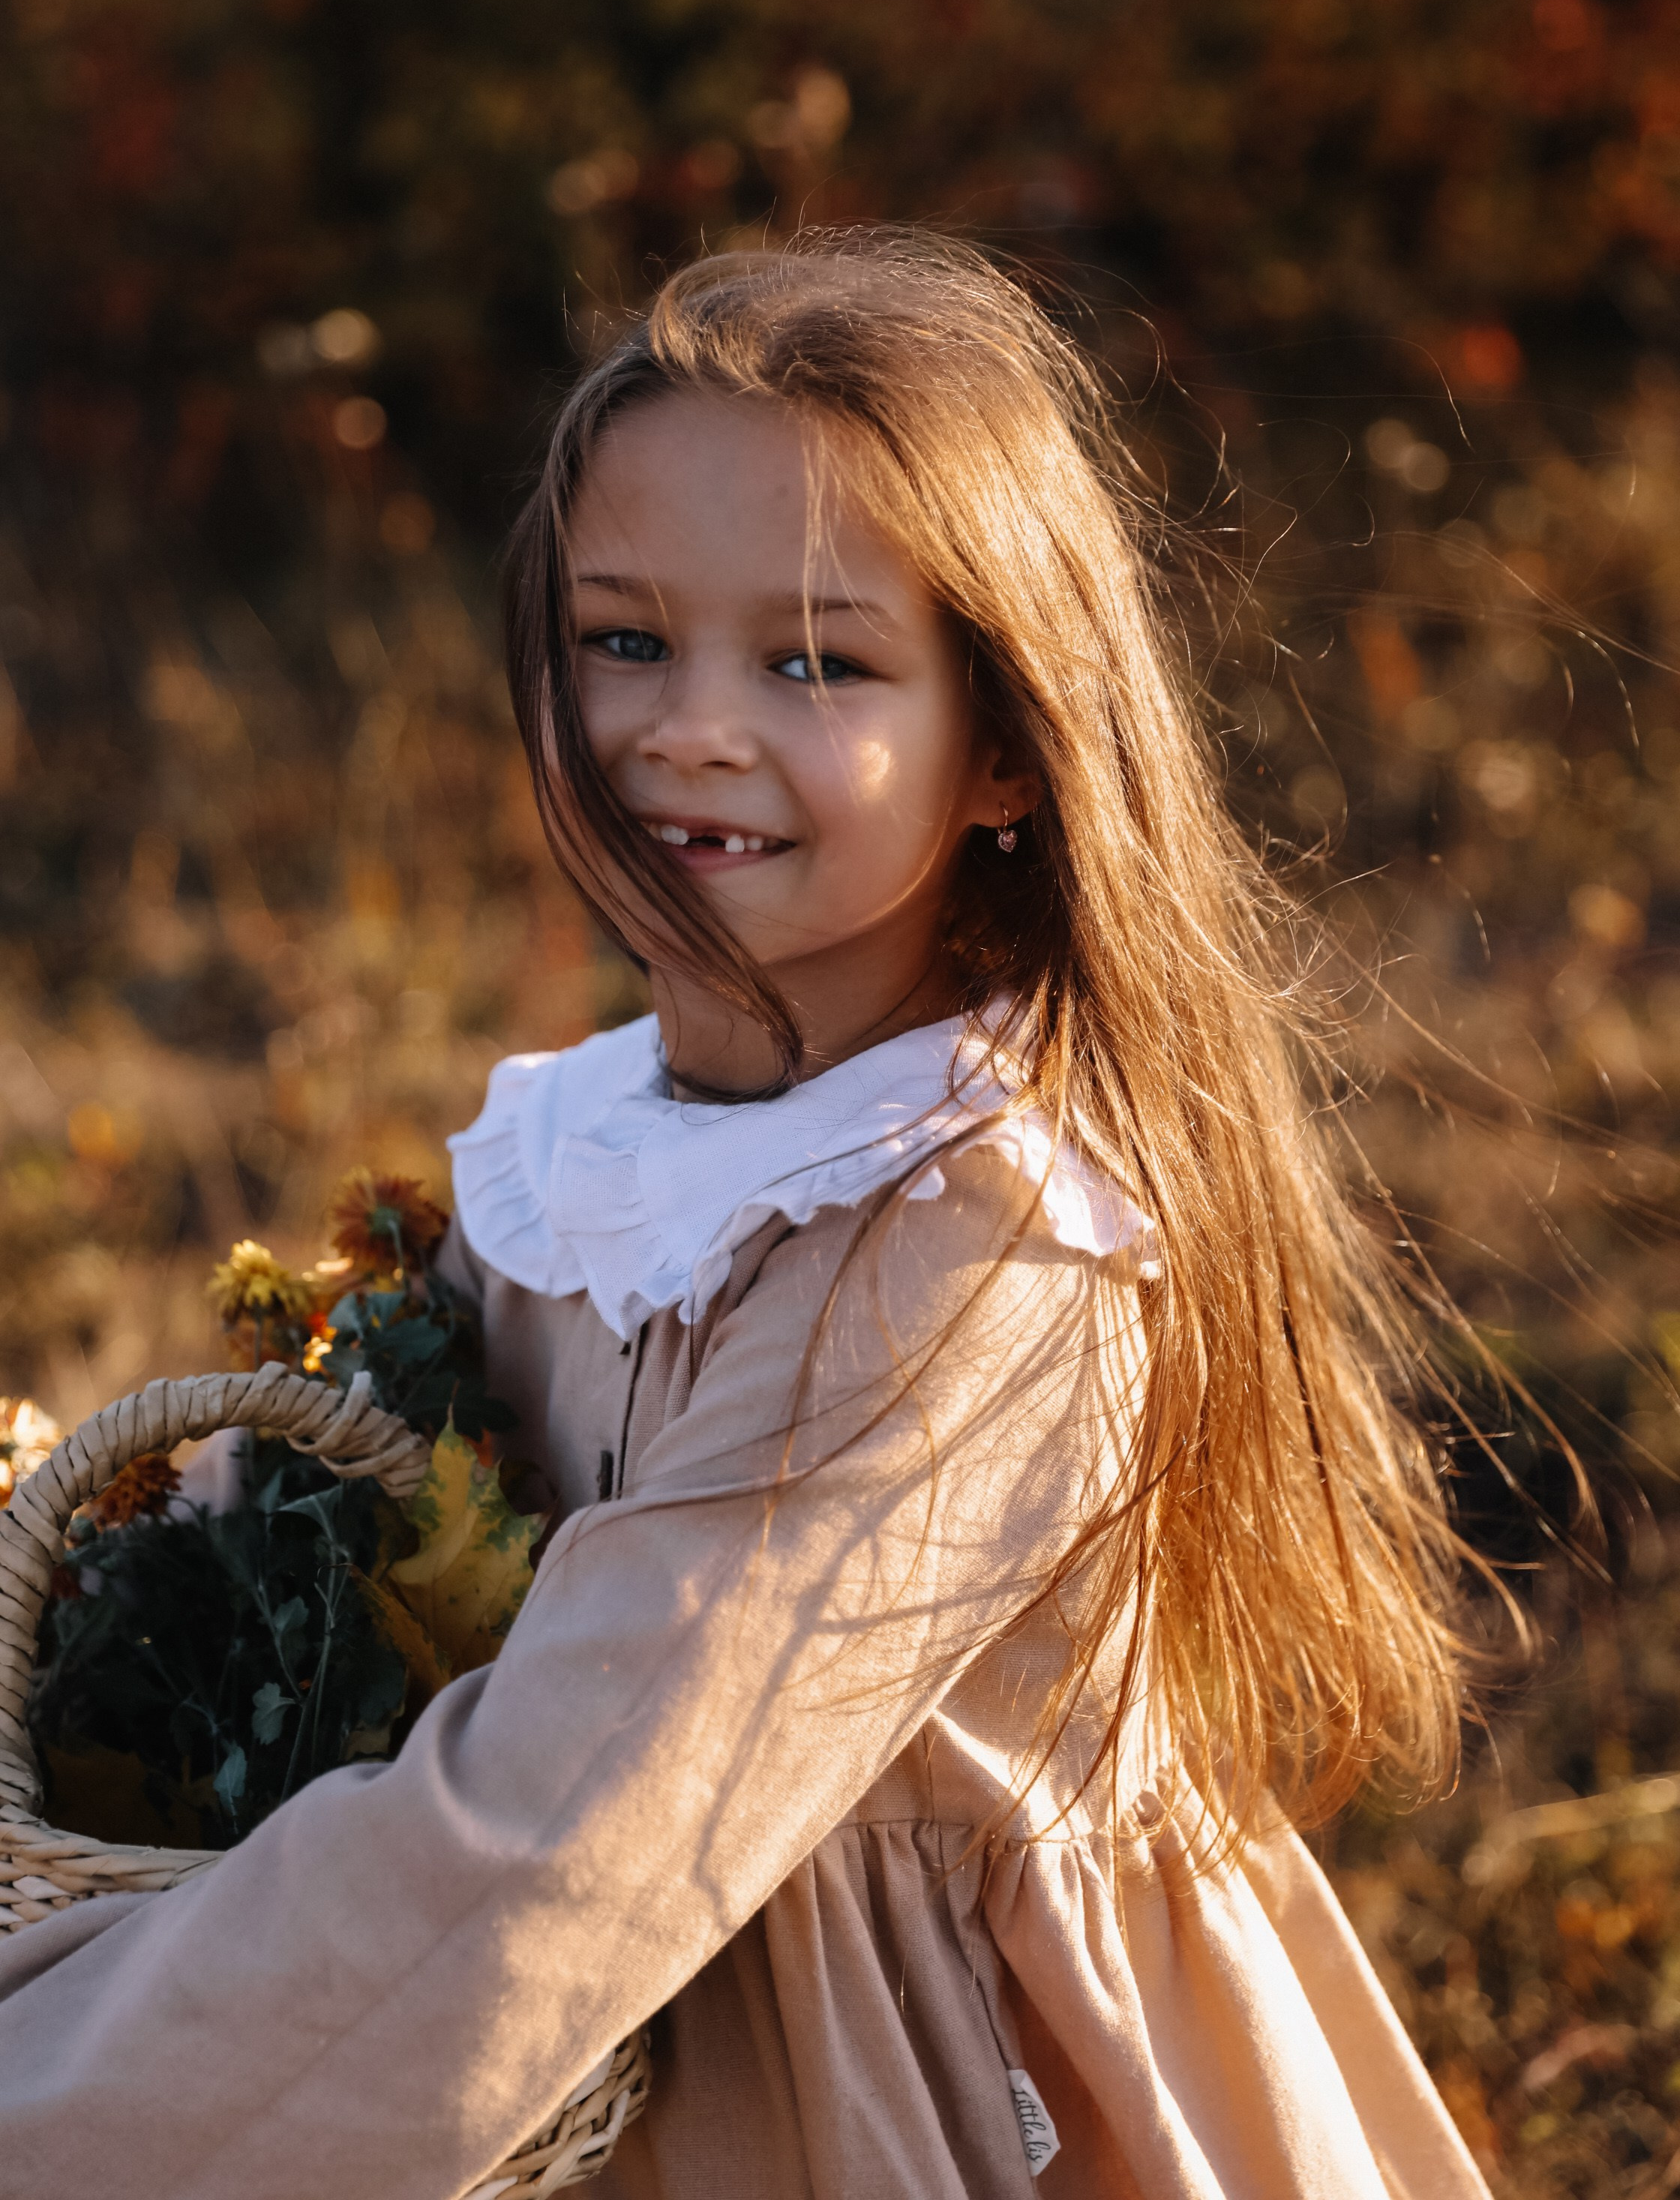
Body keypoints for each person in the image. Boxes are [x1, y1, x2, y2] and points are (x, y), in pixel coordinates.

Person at [0, 231, 1491, 2198]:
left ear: (1010, 750)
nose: (692, 726)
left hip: (887, 2096)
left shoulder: (966, 1253)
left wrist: (48, 2085)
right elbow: (327, 1517)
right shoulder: (583, 1150)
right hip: (527, 2042)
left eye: (816, 661)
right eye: (626, 640)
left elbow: (563, 1846)